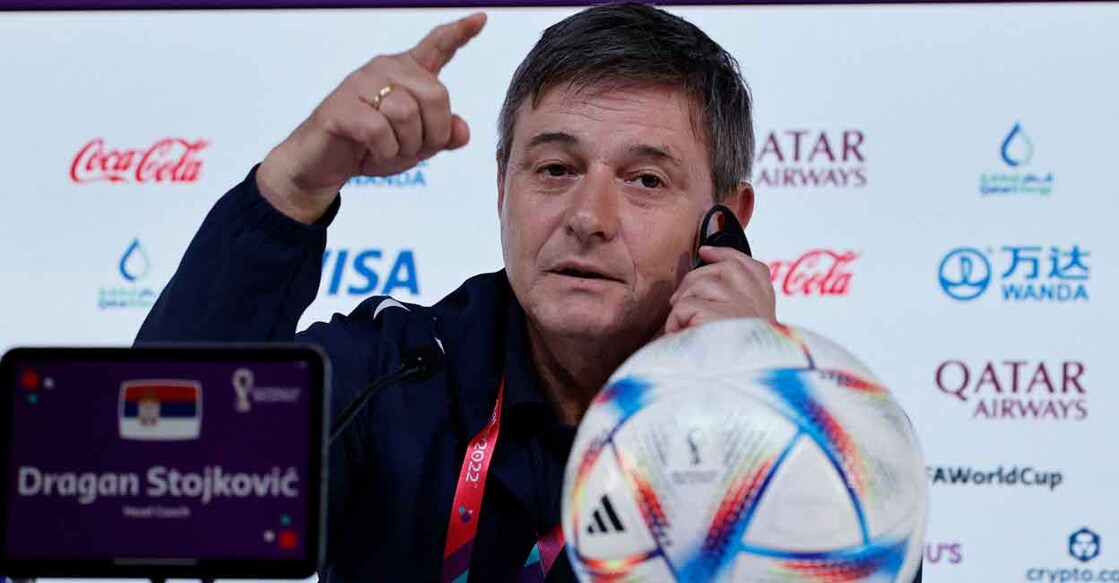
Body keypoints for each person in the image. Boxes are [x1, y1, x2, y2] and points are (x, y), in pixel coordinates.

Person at [138, 3, 781, 580]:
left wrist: (763, 405)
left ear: (725, 220)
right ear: (503, 185)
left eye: (645, 180)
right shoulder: (396, 373)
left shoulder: (781, 418)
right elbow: (156, 481)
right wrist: (292, 188)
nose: (589, 217)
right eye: (556, 169)